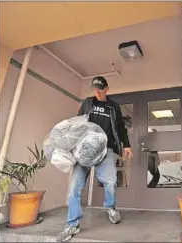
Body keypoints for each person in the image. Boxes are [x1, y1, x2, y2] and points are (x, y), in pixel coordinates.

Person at [57, 76, 133, 242]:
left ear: (107, 89)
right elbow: (77, 123)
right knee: (74, 188)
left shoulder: (113, 107)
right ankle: (72, 224)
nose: (96, 92)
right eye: (94, 89)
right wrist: (69, 142)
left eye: (100, 89)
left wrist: (126, 145)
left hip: (106, 149)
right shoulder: (87, 103)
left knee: (111, 182)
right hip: (85, 149)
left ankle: (110, 206)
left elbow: (120, 127)